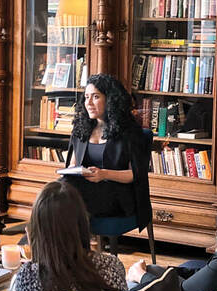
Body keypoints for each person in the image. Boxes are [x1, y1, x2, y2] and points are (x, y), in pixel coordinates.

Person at [8, 181, 127, 291]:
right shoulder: (112, 266)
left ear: (38, 231)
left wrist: (36, 256)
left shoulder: (29, 278)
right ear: (82, 224)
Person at [62, 73, 152, 232]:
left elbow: (136, 174)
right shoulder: (81, 129)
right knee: (54, 192)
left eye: (95, 97)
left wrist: (104, 174)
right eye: (86, 97)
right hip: (86, 189)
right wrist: (75, 170)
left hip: (119, 196)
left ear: (110, 100)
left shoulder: (130, 132)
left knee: (62, 201)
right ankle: (49, 250)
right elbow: (73, 164)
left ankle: (48, 250)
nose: (88, 103)